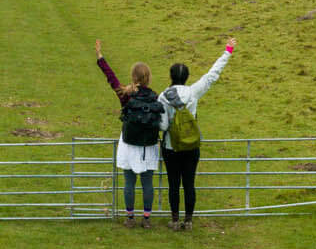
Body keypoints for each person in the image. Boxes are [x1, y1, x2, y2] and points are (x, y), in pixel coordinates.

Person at [158, 38, 236, 230]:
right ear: (186, 77)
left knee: (174, 184)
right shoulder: (194, 92)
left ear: (171, 76)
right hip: (191, 145)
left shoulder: (163, 96)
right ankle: (189, 220)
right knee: (189, 183)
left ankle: (175, 220)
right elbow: (212, 75)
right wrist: (227, 51)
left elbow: (163, 125)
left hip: (170, 146)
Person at [95, 38, 164, 226]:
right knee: (147, 183)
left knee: (129, 182)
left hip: (128, 142)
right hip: (148, 145)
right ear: (148, 78)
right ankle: (147, 219)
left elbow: (111, 78)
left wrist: (100, 57)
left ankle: (130, 217)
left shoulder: (125, 95)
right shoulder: (155, 98)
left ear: (133, 77)